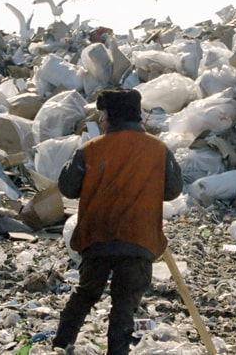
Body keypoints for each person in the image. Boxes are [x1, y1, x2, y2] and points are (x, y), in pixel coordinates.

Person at [52, 88, 183, 354]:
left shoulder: (91, 149)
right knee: (125, 304)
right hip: (139, 240)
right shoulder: (159, 150)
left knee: (85, 294)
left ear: (111, 116)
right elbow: (173, 191)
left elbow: (67, 187)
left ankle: (60, 345)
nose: (100, 121)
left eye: (102, 115)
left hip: (97, 238)